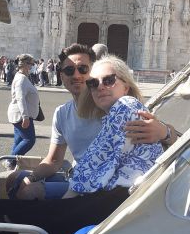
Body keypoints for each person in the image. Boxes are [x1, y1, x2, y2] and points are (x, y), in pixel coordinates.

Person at [10, 43, 175, 201]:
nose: (76, 75)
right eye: (69, 70)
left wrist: (164, 132)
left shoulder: (113, 105)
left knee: (30, 192)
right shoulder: (62, 113)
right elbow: (53, 161)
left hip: (98, 187)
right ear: (61, 76)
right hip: (77, 177)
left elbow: (168, 134)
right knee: (14, 178)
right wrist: (31, 177)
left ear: (93, 71)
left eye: (82, 69)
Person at [62, 55, 163, 197]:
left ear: (126, 87)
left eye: (109, 80)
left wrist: (67, 197)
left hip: (122, 198)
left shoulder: (126, 105)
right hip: (120, 196)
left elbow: (95, 163)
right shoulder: (114, 114)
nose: (101, 87)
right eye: (93, 83)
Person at [6, 54, 40, 167]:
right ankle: (10, 161)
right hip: (20, 115)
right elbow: (20, 98)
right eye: (31, 64)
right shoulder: (21, 79)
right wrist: (25, 117)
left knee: (18, 141)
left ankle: (12, 164)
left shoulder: (22, 77)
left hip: (20, 114)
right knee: (29, 140)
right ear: (25, 64)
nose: (32, 66)